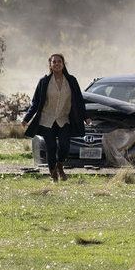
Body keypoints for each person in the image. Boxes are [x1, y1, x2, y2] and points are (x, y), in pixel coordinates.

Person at [22, 53, 86, 183]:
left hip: (64, 119)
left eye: (59, 62)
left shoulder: (71, 81)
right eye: (54, 62)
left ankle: (60, 165)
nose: (57, 64)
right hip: (47, 120)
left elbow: (79, 101)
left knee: (65, 145)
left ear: (63, 64)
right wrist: (26, 118)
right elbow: (36, 102)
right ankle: (53, 174)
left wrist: (86, 117)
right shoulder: (44, 82)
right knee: (50, 147)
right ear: (50, 65)